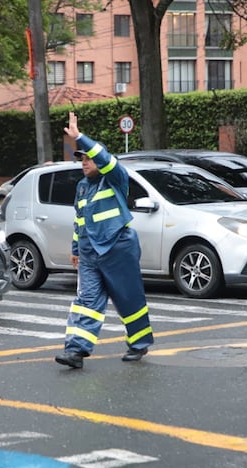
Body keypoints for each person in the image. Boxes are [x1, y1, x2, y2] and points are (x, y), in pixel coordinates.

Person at [54, 112, 154, 369]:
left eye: (88, 158)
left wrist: (79, 138)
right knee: (87, 301)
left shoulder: (116, 177)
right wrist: (75, 248)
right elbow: (80, 220)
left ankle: (139, 344)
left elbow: (104, 158)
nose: (84, 162)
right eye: (81, 159)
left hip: (118, 247)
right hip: (89, 253)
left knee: (128, 297)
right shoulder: (82, 187)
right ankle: (75, 351)